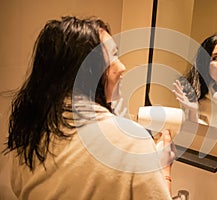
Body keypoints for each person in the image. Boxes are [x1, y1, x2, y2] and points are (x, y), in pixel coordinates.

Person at [4, 16, 175, 199]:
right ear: (87, 71)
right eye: (113, 56)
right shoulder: (131, 140)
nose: (122, 67)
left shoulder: (28, 134)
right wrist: (163, 169)